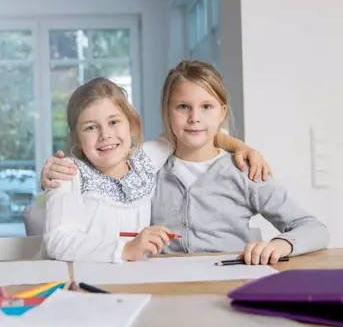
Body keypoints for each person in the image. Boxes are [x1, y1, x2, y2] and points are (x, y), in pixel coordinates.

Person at [42, 60, 328, 265]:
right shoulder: (151, 165)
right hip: (160, 288)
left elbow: (314, 229)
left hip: (227, 284)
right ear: (167, 112)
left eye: (206, 107)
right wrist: (55, 170)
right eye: (183, 107)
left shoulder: (245, 171)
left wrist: (280, 244)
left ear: (222, 113)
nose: (194, 118)